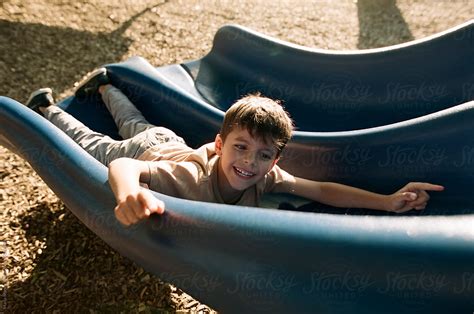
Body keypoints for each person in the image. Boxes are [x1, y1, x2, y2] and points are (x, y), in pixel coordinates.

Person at [26, 68, 444, 226]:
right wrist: (129, 193)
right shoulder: (191, 177)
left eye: (263, 155)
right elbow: (127, 171)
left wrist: (388, 202)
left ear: (275, 160)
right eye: (240, 148)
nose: (249, 162)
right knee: (92, 141)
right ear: (220, 144)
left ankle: (103, 84)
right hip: (143, 153)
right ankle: (45, 107)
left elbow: (320, 190)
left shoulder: (265, 177)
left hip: (166, 140)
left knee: (135, 120)